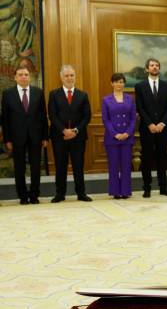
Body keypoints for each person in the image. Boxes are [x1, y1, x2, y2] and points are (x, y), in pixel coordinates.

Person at [1, 66, 47, 204]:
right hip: (16, 138)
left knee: (35, 167)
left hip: (36, 136)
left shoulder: (38, 92)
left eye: (26, 74)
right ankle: (22, 196)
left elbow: (43, 116)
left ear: (30, 77)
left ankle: (34, 195)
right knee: (19, 168)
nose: (23, 77)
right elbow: (5, 119)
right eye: (20, 74)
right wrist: (7, 139)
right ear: (15, 77)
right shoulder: (8, 94)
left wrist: (45, 136)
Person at [48, 65, 92, 202]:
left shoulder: (83, 95)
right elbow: (52, 115)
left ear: (75, 76)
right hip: (59, 136)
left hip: (78, 137)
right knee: (60, 166)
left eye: (72, 75)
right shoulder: (54, 94)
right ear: (61, 77)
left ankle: (81, 193)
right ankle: (60, 194)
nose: (69, 78)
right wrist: (64, 130)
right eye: (66, 75)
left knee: (78, 166)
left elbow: (87, 116)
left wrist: (75, 130)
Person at [134, 58, 167, 198]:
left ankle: (163, 187)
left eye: (157, 65)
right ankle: (147, 188)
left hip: (163, 128)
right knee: (147, 158)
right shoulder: (140, 86)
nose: (154, 67)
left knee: (162, 158)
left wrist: (162, 123)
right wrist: (150, 124)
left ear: (159, 68)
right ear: (147, 69)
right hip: (147, 128)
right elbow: (140, 107)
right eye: (152, 65)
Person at [101, 73, 136, 199]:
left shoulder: (130, 99)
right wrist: (115, 134)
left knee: (126, 166)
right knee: (114, 166)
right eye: (116, 82)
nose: (119, 84)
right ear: (112, 83)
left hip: (127, 137)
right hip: (112, 138)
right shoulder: (106, 100)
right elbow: (105, 120)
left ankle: (126, 191)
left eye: (121, 82)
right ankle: (115, 191)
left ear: (124, 84)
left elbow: (133, 119)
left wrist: (127, 133)